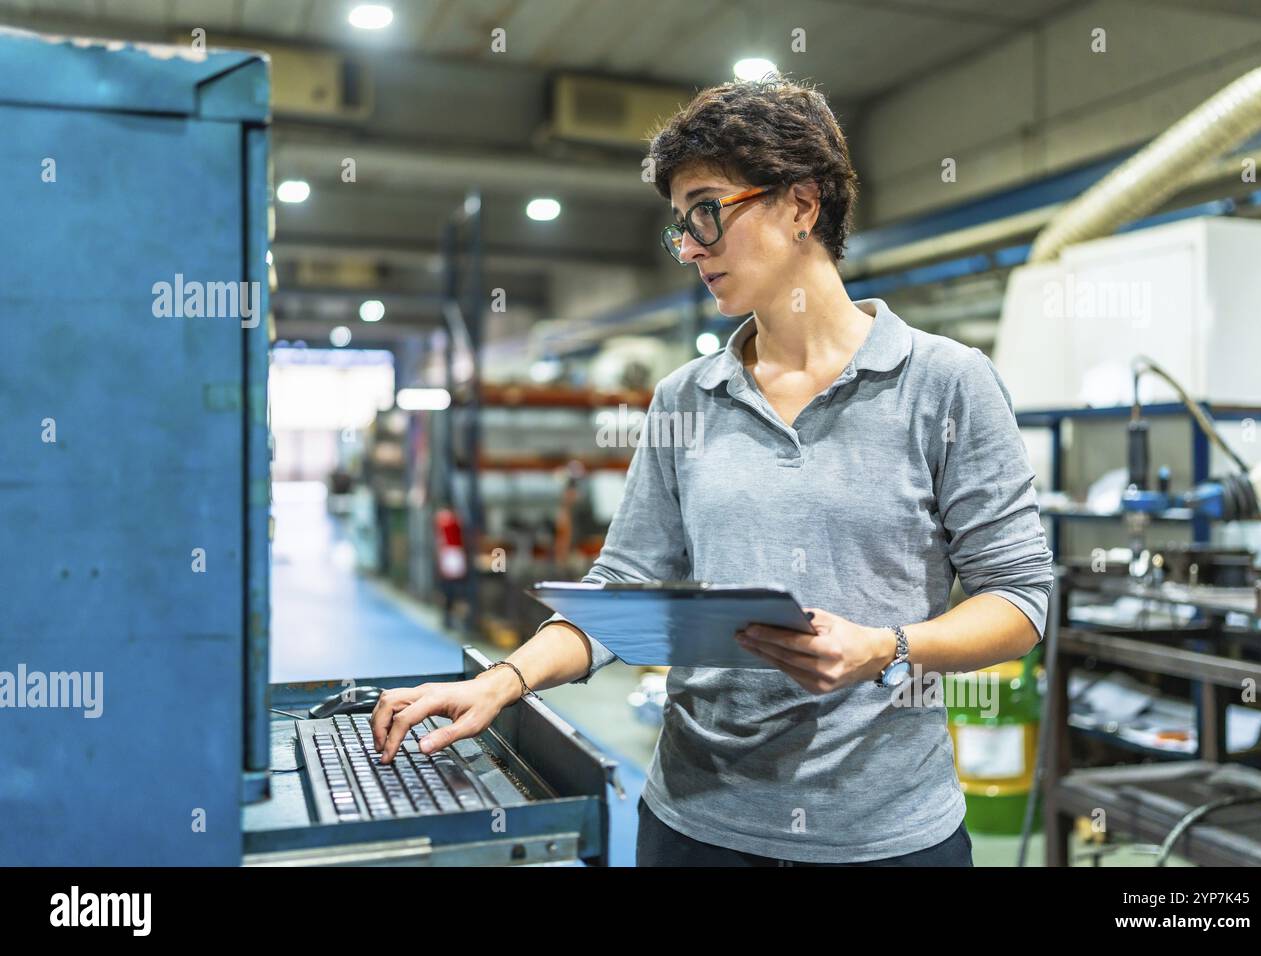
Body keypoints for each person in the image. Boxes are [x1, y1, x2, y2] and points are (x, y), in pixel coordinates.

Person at [370, 75, 1054, 867]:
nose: (690, 247)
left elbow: (1020, 600)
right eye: (680, 227)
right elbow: (624, 587)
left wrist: (887, 647)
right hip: (698, 826)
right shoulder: (685, 398)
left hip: (886, 834)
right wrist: (505, 680)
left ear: (802, 205)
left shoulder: (945, 383)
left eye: (707, 212)